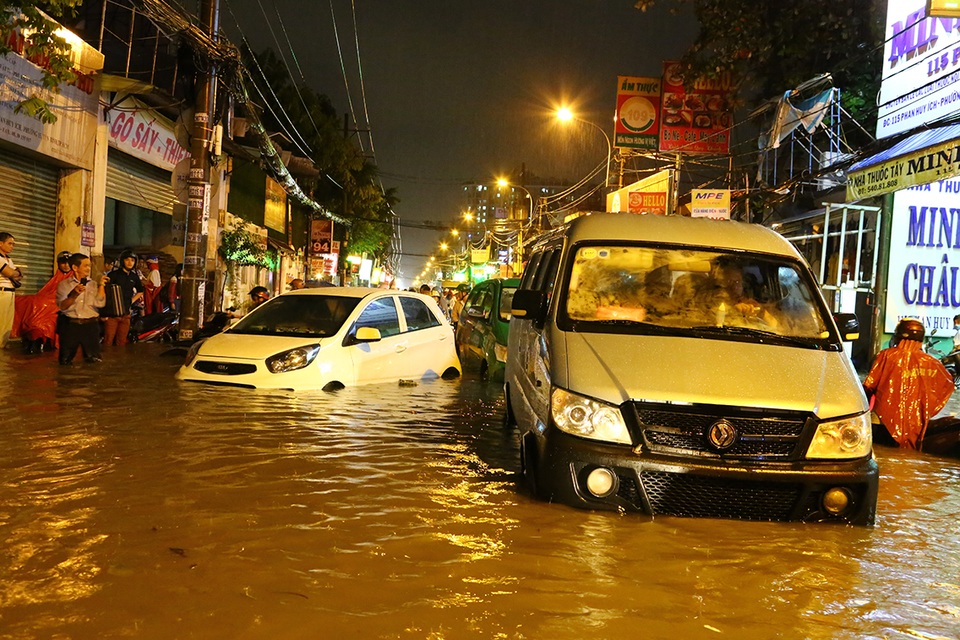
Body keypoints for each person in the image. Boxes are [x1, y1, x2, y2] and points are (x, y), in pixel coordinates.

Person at [863, 318, 955, 450]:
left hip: (882, 422)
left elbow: (868, 386)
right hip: (916, 425)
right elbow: (947, 386)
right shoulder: (932, 363)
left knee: (881, 457)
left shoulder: (886, 356)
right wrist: (925, 410)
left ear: (898, 336)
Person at [12, 251, 73, 353]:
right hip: (47, 307)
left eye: (68, 263)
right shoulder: (56, 278)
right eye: (63, 263)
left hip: (60, 307)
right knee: (25, 303)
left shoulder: (74, 279)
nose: (66, 266)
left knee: (41, 314)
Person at [56, 253, 109, 365]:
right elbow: (62, 306)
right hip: (71, 325)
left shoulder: (94, 284)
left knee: (94, 361)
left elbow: (100, 303)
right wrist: (73, 294)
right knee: (65, 361)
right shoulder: (63, 285)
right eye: (85, 266)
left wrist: (102, 286)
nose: (88, 269)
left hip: (91, 326)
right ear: (75, 267)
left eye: (89, 266)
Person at [103, 250, 144, 346]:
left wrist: (131, 301)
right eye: (127, 260)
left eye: (132, 260)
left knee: (121, 342)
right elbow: (105, 292)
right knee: (108, 341)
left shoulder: (134, 277)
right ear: (122, 261)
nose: (130, 262)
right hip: (112, 314)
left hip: (126, 314)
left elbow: (140, 291)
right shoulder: (113, 275)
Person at [0, 231, 24, 349]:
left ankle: (2, 346)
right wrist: (15, 272)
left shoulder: (8, 259)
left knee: (7, 324)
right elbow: (10, 272)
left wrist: (15, 273)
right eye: (9, 243)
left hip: (10, 292)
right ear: (0, 243)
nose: (12, 246)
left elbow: (19, 275)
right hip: (2, 292)